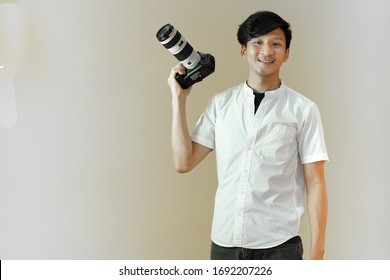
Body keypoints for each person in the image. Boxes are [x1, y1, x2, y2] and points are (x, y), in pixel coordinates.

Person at [167, 11, 328, 260]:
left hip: (279, 245)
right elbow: (183, 162)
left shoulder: (303, 110)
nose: (267, 50)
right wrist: (179, 99)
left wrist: (317, 251)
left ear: (286, 53)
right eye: (257, 42)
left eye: (276, 44)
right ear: (244, 50)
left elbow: (315, 182)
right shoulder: (220, 105)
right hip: (224, 243)